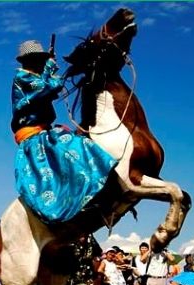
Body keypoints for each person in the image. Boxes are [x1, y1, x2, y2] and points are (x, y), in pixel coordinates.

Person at [11, 39, 116, 223]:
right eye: (38, 59)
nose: (41, 63)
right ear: (28, 61)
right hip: (33, 136)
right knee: (66, 152)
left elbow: (50, 86)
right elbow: (47, 87)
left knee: (77, 144)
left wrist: (50, 71)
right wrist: (51, 66)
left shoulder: (35, 77)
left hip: (43, 131)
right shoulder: (23, 77)